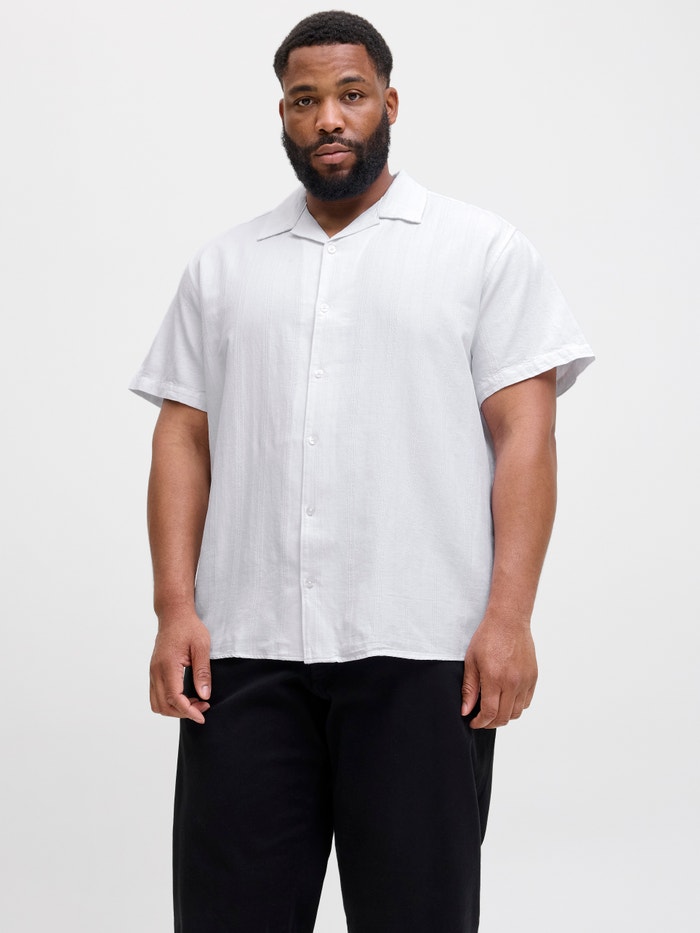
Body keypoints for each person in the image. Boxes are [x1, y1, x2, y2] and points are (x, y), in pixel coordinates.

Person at [129, 10, 594, 932]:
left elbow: (526, 439)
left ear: (390, 102)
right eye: (305, 100)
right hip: (246, 653)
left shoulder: (480, 251)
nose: (329, 118)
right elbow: (182, 438)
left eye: (350, 95)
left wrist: (509, 618)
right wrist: (174, 608)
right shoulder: (224, 268)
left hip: (422, 650)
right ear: (283, 115)